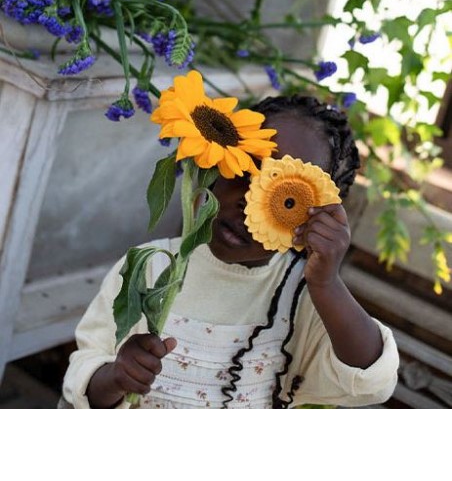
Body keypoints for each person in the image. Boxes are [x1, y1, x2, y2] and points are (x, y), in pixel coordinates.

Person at [62, 94, 399, 409]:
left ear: (317, 216)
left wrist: (327, 284)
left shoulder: (304, 297)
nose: (247, 202)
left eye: (283, 197)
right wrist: (117, 376)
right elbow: (83, 380)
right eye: (246, 170)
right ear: (216, 162)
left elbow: (373, 381)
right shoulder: (147, 268)